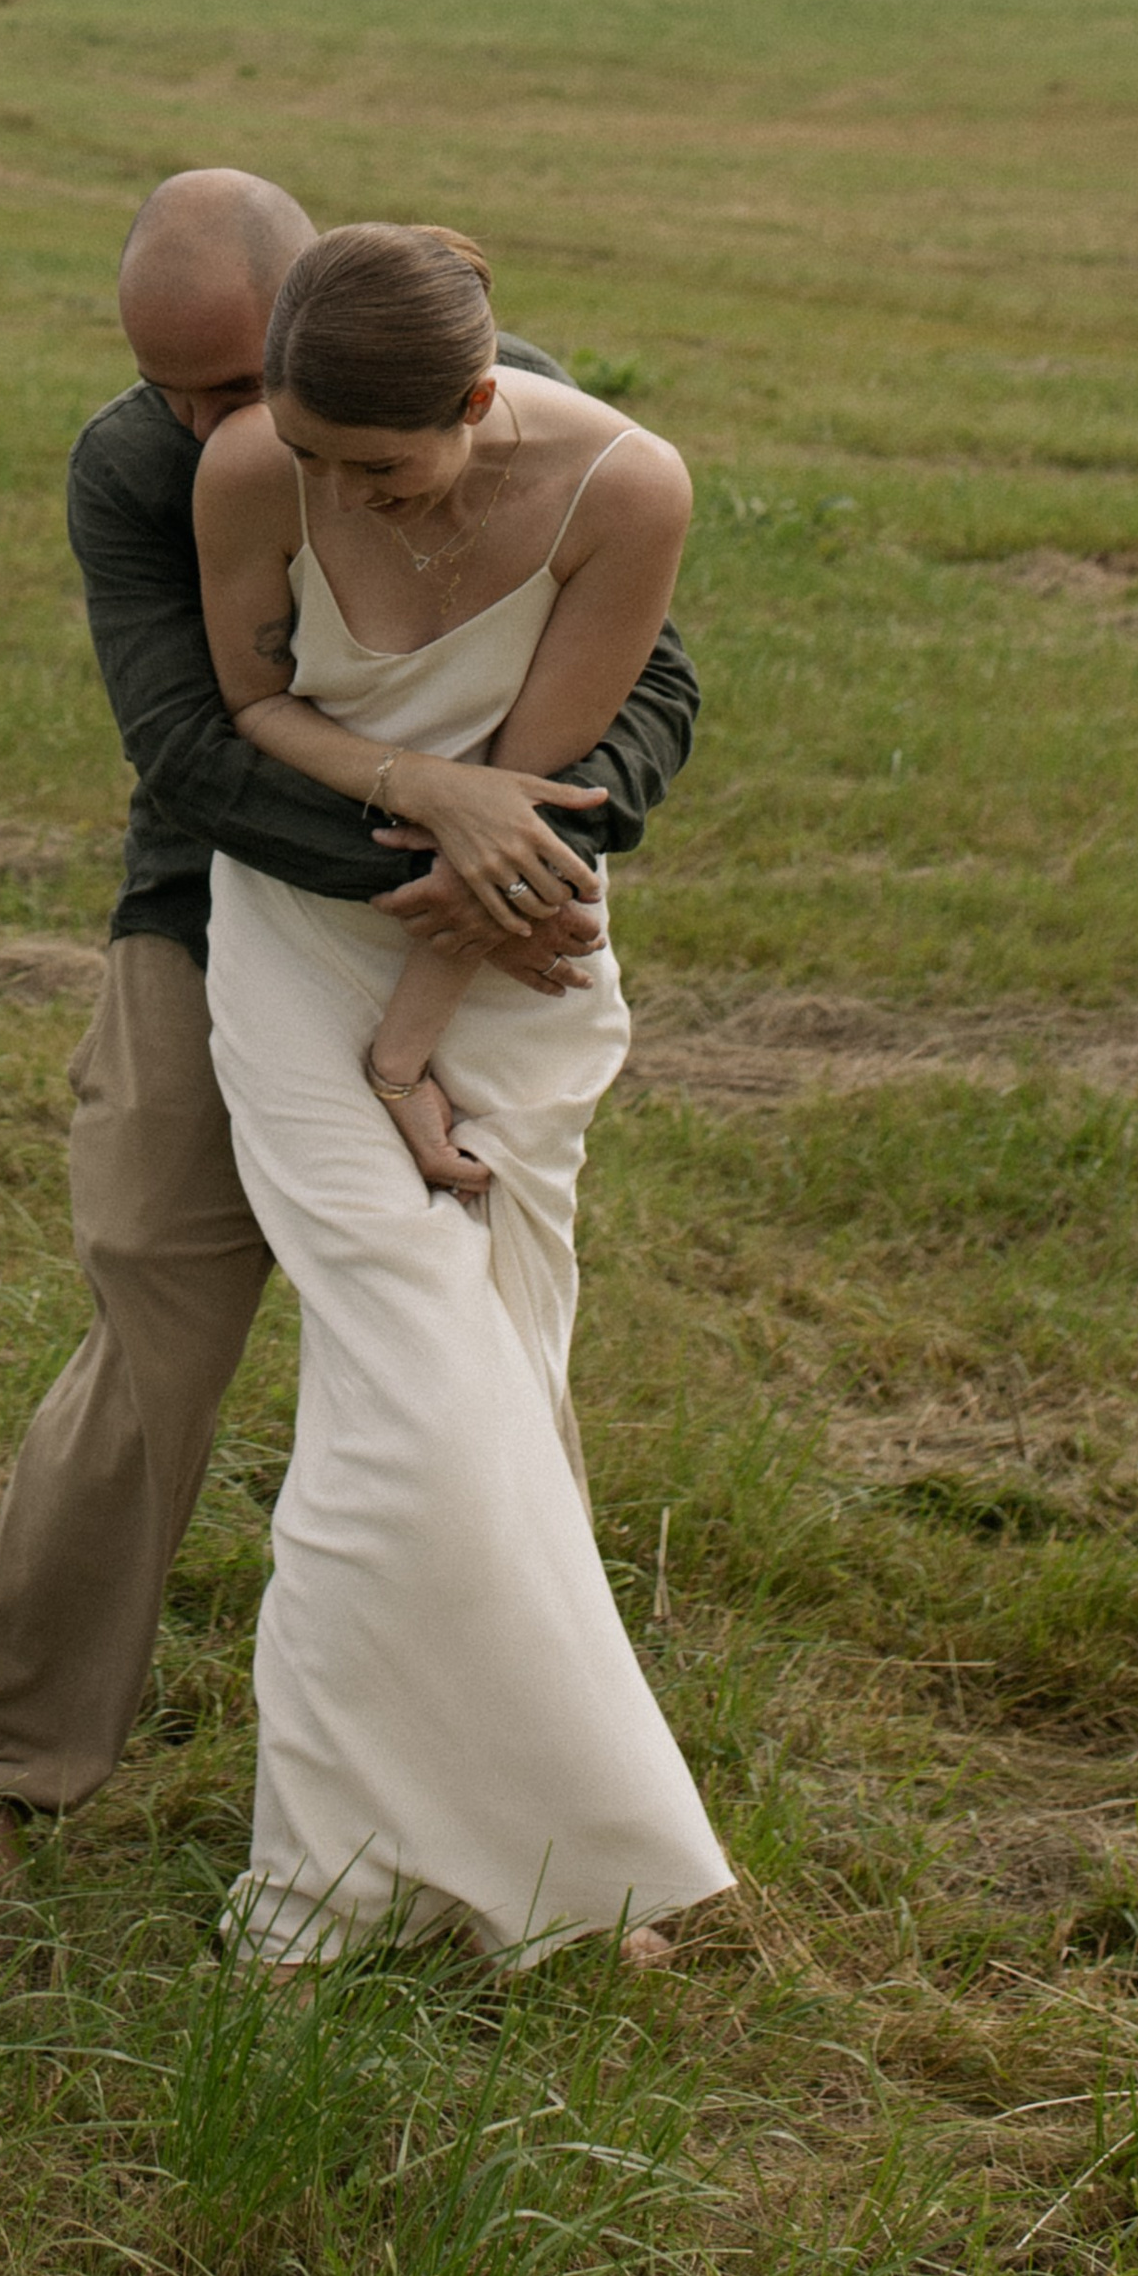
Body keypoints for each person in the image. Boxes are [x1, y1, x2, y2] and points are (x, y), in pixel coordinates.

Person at [0, 171, 699, 1880]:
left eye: (223, 385)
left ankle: (537, 1803)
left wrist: (538, 852)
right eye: (167, 387)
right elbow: (190, 743)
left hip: (479, 946)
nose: (203, 426)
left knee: (475, 1360)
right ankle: (10, 1763)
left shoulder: (482, 401)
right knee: (155, 1334)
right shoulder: (140, 464)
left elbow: (657, 684)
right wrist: (449, 843)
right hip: (210, 922)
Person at [192, 220, 731, 1968]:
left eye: (389, 465)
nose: (351, 497)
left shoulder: (627, 490)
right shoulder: (248, 470)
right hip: (290, 948)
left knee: (499, 1387)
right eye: (318, 457)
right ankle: (332, 1892)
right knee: (418, 1407)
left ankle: (518, 1875)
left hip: (508, 972)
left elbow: (537, 814)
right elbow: (256, 701)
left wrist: (415, 1051)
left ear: (487, 401)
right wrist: (417, 777)